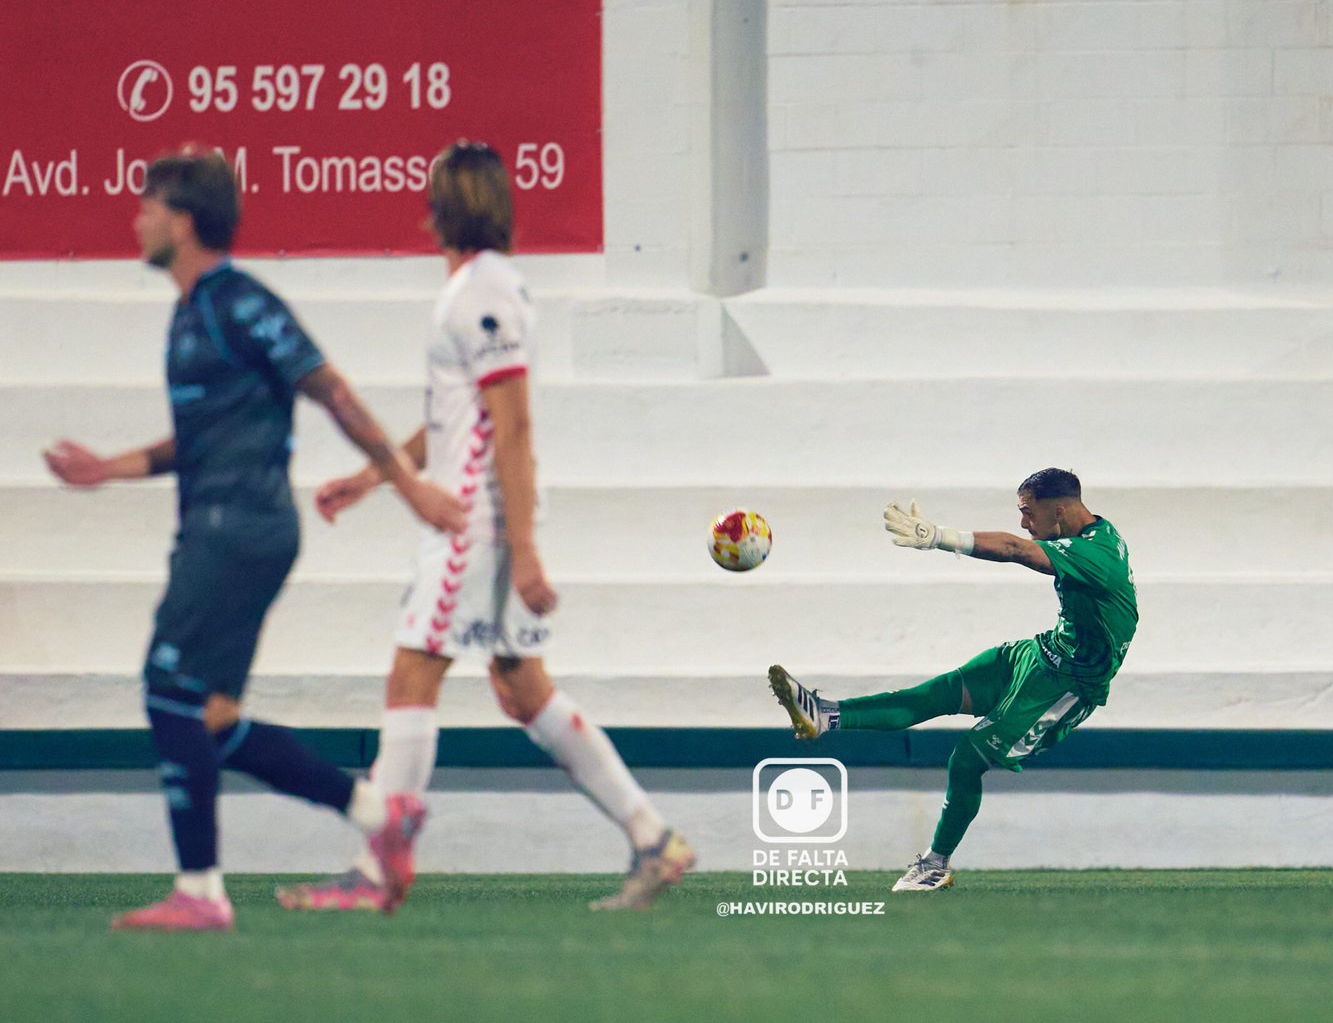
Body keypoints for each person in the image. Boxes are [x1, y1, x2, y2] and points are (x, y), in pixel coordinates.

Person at [43, 147, 465, 931]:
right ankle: (381, 812)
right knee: (206, 716)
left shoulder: (240, 301)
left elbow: (331, 390)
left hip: (239, 525)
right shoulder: (189, 312)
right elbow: (194, 441)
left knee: (166, 689)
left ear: (184, 219)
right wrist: (110, 467)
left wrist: (405, 485)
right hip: (225, 523)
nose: (135, 218)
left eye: (147, 206)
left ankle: (200, 891)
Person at [276, 141, 694, 914]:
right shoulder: (483, 288)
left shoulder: (481, 291)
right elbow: (455, 422)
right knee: (519, 684)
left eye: (431, 192)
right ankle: (652, 834)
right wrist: (373, 478)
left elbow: (515, 425)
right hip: (488, 519)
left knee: (413, 672)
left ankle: (376, 872)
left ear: (446, 206)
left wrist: (524, 550)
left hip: (474, 525)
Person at [769, 468, 1136, 891]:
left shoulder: (1097, 556)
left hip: (1065, 686)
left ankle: (934, 865)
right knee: (935, 694)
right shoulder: (1096, 533)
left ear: (1059, 509)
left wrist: (940, 537)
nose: (1023, 523)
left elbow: (1016, 548)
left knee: (967, 759)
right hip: (1038, 655)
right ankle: (824, 715)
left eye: (1027, 512)